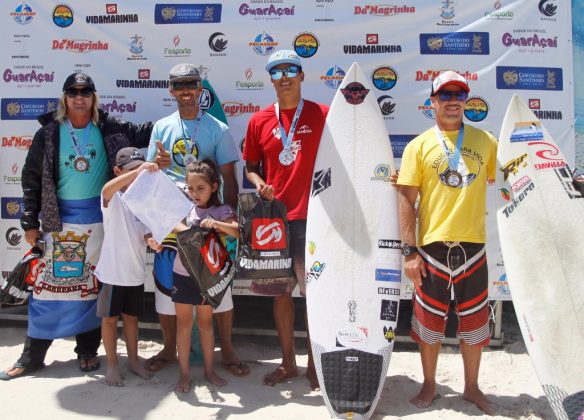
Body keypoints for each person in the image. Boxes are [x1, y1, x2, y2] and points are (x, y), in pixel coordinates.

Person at [0, 73, 152, 380]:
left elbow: (146, 132)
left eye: (85, 91)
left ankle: (86, 351)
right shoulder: (49, 133)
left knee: (89, 289)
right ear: (64, 97)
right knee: (46, 290)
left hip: (100, 222)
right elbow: (30, 178)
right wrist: (29, 221)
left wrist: (182, 114)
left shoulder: (109, 127)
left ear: (94, 97)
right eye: (73, 91)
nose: (79, 96)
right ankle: (32, 356)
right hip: (57, 222)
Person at [396, 70, 497, 414]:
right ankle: (428, 384)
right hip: (432, 250)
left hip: (474, 248)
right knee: (428, 327)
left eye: (459, 94)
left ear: (465, 100)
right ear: (433, 101)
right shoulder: (418, 146)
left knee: (474, 326)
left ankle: (471, 387)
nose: (453, 101)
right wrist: (409, 252)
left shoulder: (486, 141)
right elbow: (406, 200)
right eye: (446, 95)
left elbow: (512, 177)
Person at [145, 63, 248, 377]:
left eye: (191, 84)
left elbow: (230, 178)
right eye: (179, 85)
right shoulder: (162, 127)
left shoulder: (217, 127)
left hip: (207, 222)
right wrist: (153, 222)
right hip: (171, 219)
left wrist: (228, 224)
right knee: (166, 285)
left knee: (219, 287)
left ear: (201, 89)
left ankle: (227, 349)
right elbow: (151, 177)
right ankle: (167, 347)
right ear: (171, 90)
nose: (186, 90)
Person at [243, 49, 329, 390]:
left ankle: (314, 365)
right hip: (274, 222)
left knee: (315, 297)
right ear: (270, 79)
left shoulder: (323, 114)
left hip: (314, 219)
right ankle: (288, 364)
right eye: (277, 71)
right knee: (281, 296)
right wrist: (259, 183)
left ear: (302, 74)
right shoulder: (259, 120)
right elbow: (250, 167)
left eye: (291, 69)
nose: (285, 76)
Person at [171, 158, 239, 392]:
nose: (194, 193)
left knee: (206, 324)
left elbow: (238, 232)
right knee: (183, 325)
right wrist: (194, 228)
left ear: (214, 186)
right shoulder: (183, 208)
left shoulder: (222, 210)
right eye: (190, 188)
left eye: (200, 188)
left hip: (207, 278)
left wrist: (218, 225)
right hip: (182, 273)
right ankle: (184, 374)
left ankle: (210, 371)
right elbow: (173, 225)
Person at [94, 147, 159, 386]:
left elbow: (145, 232)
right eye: (130, 171)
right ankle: (112, 365)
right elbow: (105, 190)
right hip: (112, 274)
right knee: (110, 320)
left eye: (139, 171)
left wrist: (151, 239)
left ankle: (133, 361)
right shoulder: (113, 199)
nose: (136, 177)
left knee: (132, 319)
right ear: (118, 171)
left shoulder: (143, 200)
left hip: (135, 273)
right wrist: (138, 171)